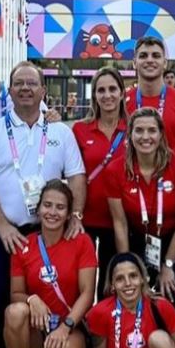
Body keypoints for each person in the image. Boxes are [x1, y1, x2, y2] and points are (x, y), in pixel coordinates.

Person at [0, 61, 87, 348]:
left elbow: (77, 175)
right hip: (2, 232)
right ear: (10, 89)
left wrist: (76, 215)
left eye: (31, 84)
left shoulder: (60, 132)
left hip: (47, 232)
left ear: (42, 91)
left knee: (45, 301)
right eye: (18, 84)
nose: (24, 89)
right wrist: (2, 225)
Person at [4, 180, 97, 348]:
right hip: (38, 328)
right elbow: (15, 294)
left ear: (68, 213)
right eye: (47, 205)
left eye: (60, 207)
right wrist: (31, 299)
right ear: (38, 209)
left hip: (69, 325)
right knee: (14, 312)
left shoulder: (81, 242)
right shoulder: (24, 245)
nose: (52, 212)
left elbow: (88, 293)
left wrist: (66, 327)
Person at [106, 108, 175, 303]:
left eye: (152, 130)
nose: (145, 137)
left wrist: (169, 264)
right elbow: (120, 223)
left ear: (161, 134)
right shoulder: (115, 170)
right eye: (139, 130)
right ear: (130, 135)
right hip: (138, 239)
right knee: (135, 296)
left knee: (167, 298)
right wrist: (127, 266)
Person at [73, 67, 128, 299]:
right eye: (101, 90)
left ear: (122, 93)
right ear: (94, 95)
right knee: (80, 281)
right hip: (85, 217)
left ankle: (104, 333)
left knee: (109, 284)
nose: (107, 95)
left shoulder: (134, 129)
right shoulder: (79, 129)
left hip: (120, 219)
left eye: (112, 89)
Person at [125, 36, 175, 154]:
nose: (150, 60)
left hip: (173, 171)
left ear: (165, 63)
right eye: (143, 56)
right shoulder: (122, 102)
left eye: (156, 56)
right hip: (132, 171)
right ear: (134, 63)